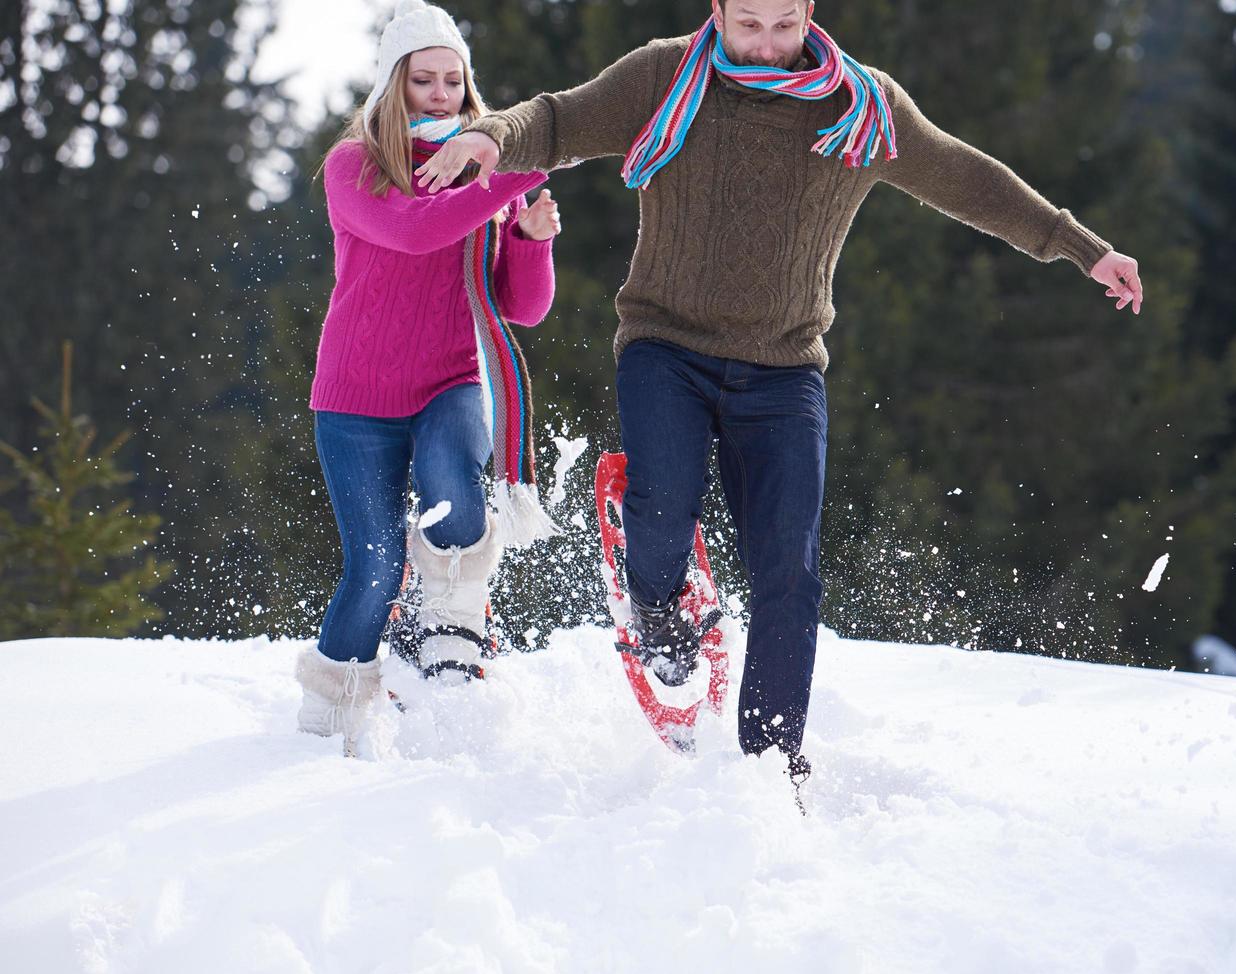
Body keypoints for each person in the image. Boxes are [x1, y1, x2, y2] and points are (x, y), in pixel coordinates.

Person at [418, 0, 1144, 781]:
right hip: (667, 347)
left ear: (808, 13)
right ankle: (658, 605)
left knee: (789, 568)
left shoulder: (862, 108)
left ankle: (770, 761)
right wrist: (489, 135)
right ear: (719, 11)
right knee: (662, 510)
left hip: (786, 368)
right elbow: (561, 121)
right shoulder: (666, 77)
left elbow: (967, 178)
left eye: (783, 27)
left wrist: (1081, 248)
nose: (766, 46)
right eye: (748, 25)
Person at [295, 0, 563, 755]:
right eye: (425, 81)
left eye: (454, 80)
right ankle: (328, 717)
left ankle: (452, 637)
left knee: (453, 482)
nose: (442, 94)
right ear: (393, 88)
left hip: (451, 379)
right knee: (374, 568)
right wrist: (517, 174)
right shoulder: (354, 167)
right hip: (354, 400)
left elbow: (523, 307)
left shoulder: (490, 177)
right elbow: (415, 231)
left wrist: (532, 239)